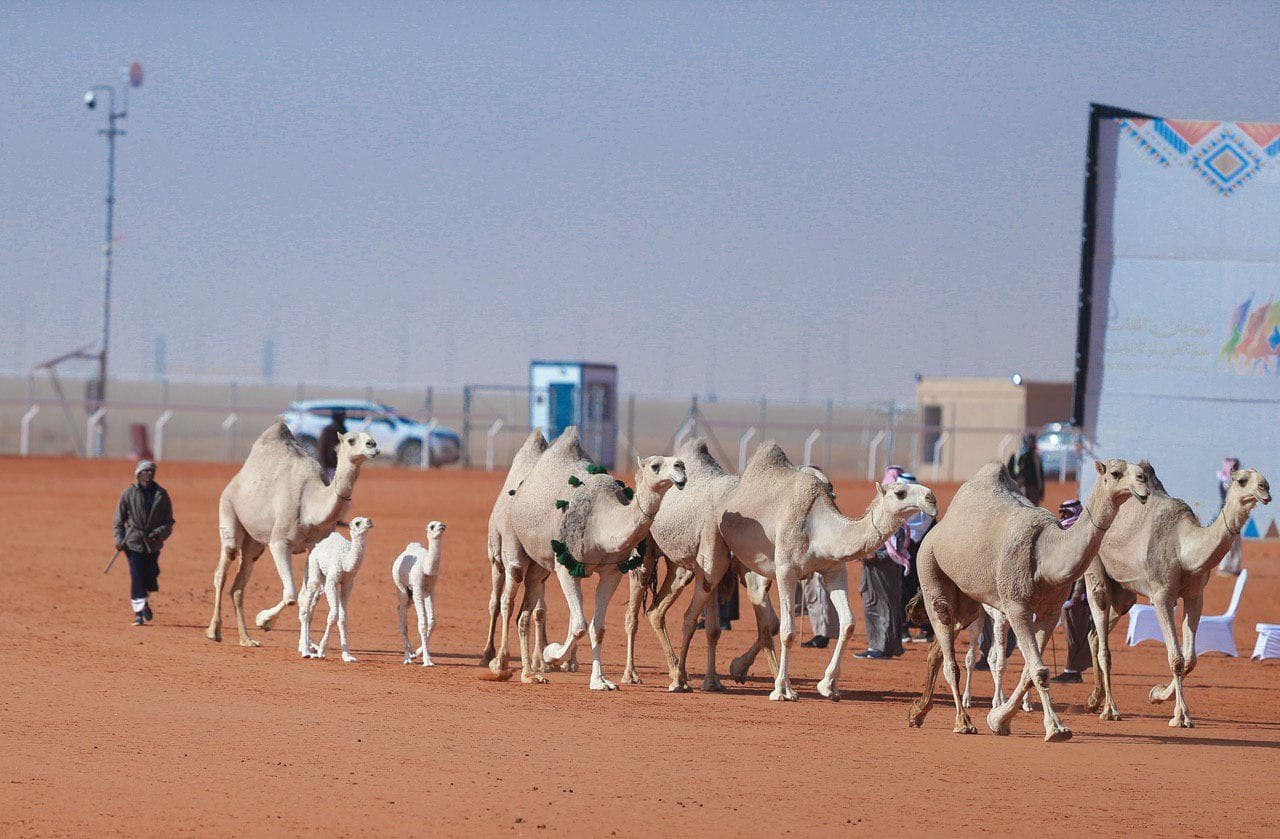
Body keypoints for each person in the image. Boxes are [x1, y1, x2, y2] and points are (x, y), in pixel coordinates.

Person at [113, 460, 175, 625]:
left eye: (152, 471)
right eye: (146, 471)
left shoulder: (161, 494)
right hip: (133, 542)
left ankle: (144, 599)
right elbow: (119, 520)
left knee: (151, 574)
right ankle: (138, 613)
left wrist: (159, 533)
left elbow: (169, 522)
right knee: (137, 575)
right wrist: (119, 539)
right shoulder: (128, 494)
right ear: (138, 474)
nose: (150, 473)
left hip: (153, 544)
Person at [854, 466, 907, 659]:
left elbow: (897, 547)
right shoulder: (879, 516)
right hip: (872, 567)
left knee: (883, 606)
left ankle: (881, 647)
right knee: (874, 604)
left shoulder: (896, 520)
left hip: (885, 568)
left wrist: (876, 556)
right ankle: (882, 646)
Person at [1051, 499, 1091, 683]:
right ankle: (1072, 669)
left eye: (1065, 513)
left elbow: (1084, 570)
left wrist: (1076, 595)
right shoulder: (1066, 534)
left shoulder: (1081, 536)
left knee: (1076, 634)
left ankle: (1073, 671)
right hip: (1065, 592)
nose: (1062, 517)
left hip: (1078, 596)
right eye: (1061, 513)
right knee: (1072, 633)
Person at [897, 471, 936, 644]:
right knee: (923, 590)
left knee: (903, 590)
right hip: (922, 558)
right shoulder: (927, 509)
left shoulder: (900, 508)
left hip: (904, 557)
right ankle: (926, 630)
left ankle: (904, 630)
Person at [1217, 457, 1244, 576]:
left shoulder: (1234, 481)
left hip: (1235, 515)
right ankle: (1224, 567)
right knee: (1229, 542)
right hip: (1228, 514)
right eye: (1235, 467)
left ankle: (1234, 567)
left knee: (1236, 542)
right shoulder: (1226, 481)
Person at [1007, 432, 1045, 506]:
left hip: (1033, 489)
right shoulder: (1016, 456)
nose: (1031, 444)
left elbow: (1040, 475)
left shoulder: (1036, 457)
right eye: (1030, 442)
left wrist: (1041, 491)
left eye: (1033, 442)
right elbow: (1010, 471)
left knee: (1033, 508)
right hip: (1020, 488)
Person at [318, 410, 347, 483]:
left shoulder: (343, 430)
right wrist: (323, 465)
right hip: (330, 465)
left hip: (337, 465)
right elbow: (322, 448)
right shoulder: (329, 430)